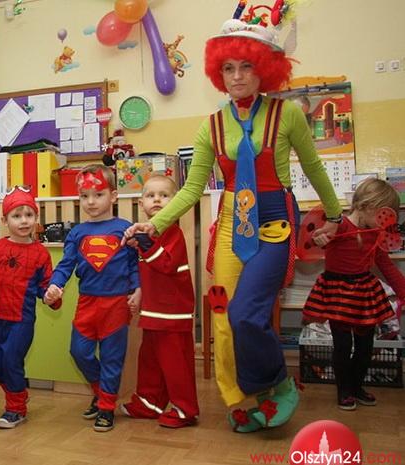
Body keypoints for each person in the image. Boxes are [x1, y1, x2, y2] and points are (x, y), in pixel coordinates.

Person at [124, 13, 343, 433]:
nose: (237, 76)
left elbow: (314, 168)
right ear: (218, 73)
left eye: (246, 66)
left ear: (264, 69)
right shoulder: (210, 126)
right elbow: (191, 189)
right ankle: (241, 400)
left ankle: (278, 385)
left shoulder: (287, 115)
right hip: (229, 225)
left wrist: (334, 215)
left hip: (275, 224)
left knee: (246, 314)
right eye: (228, 68)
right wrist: (155, 224)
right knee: (224, 317)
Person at [44, 165, 140, 432]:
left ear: (113, 196)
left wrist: (138, 289)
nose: (91, 202)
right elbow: (66, 265)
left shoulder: (125, 229)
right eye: (84, 196)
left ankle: (106, 407)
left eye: (98, 194)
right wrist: (55, 285)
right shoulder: (77, 233)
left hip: (116, 304)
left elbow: (134, 264)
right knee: (79, 352)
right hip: (87, 303)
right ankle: (101, 392)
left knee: (112, 357)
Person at [302, 178, 405, 411]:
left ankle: (356, 387)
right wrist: (319, 238)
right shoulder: (339, 225)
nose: (387, 223)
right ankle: (344, 390)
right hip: (337, 294)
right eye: (384, 216)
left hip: (364, 294)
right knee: (342, 345)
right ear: (368, 206)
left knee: (365, 347)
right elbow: (315, 238)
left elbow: (386, 265)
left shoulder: (375, 232)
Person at [0, 186, 61, 429]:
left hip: (22, 321)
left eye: (29, 215)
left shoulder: (40, 254)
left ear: (36, 218)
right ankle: (18, 392)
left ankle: (16, 408)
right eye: (17, 215)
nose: (23, 221)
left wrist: (51, 296)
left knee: (11, 360)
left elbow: (45, 287)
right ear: (5, 220)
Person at [121, 175, 199, 428]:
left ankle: (185, 409)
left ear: (176, 203)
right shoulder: (150, 234)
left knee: (176, 364)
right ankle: (148, 402)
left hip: (172, 313)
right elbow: (145, 270)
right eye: (150, 195)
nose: (157, 200)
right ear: (141, 203)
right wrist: (138, 291)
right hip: (154, 311)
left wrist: (144, 243)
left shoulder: (172, 232)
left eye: (164, 195)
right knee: (150, 360)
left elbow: (166, 264)